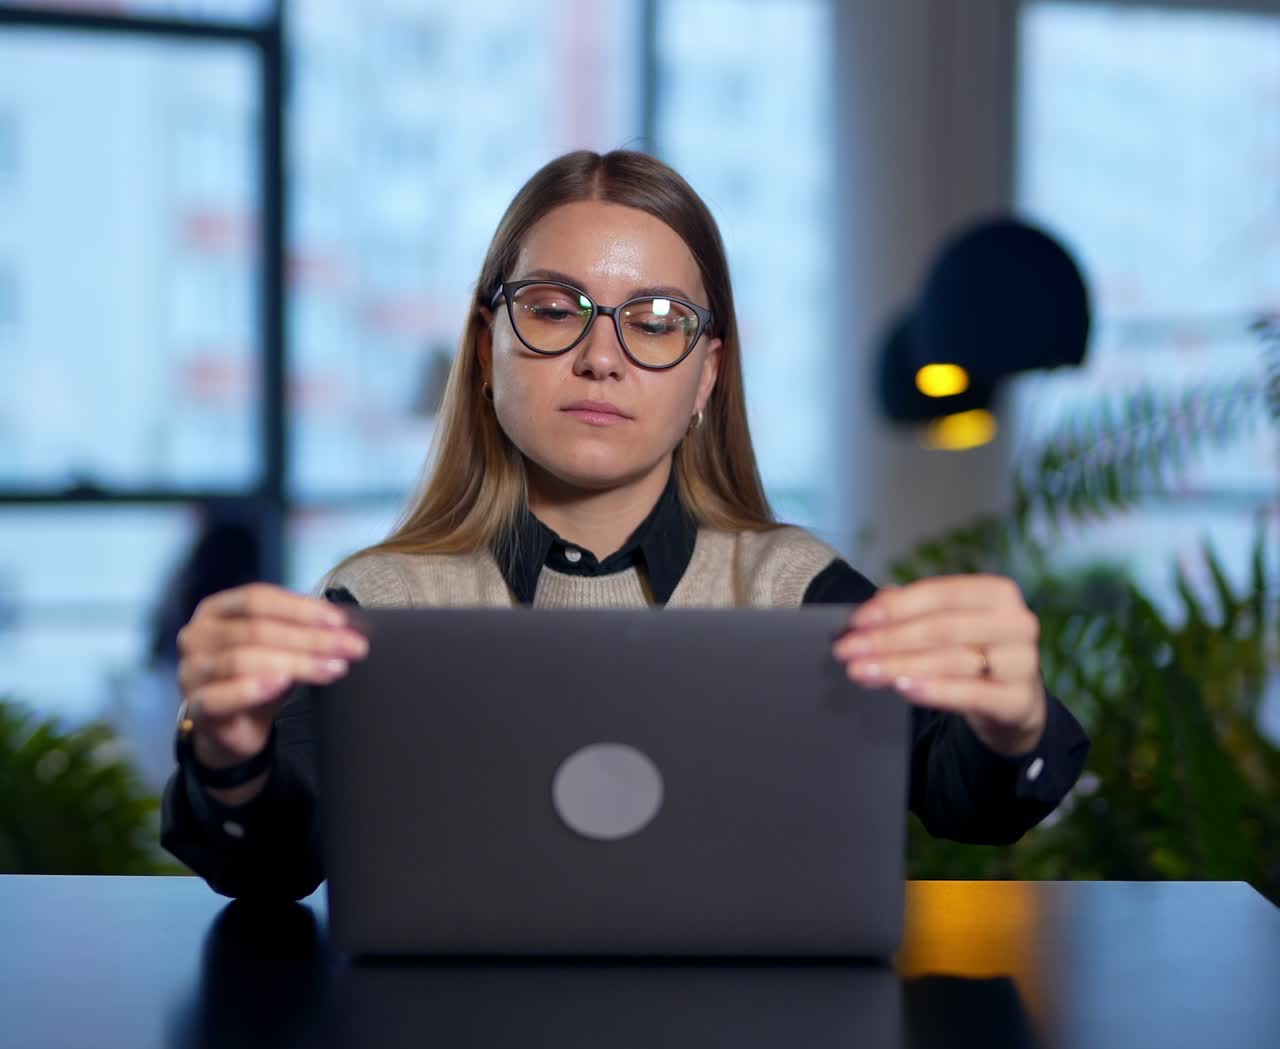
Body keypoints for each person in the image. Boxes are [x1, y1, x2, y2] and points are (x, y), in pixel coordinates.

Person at [161, 149, 1089, 901]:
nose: (602, 357)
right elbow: (270, 870)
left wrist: (1012, 724)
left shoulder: (792, 589)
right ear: (487, 353)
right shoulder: (378, 602)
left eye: (655, 321)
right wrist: (230, 754)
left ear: (707, 375)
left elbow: (973, 799)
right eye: (555, 311)